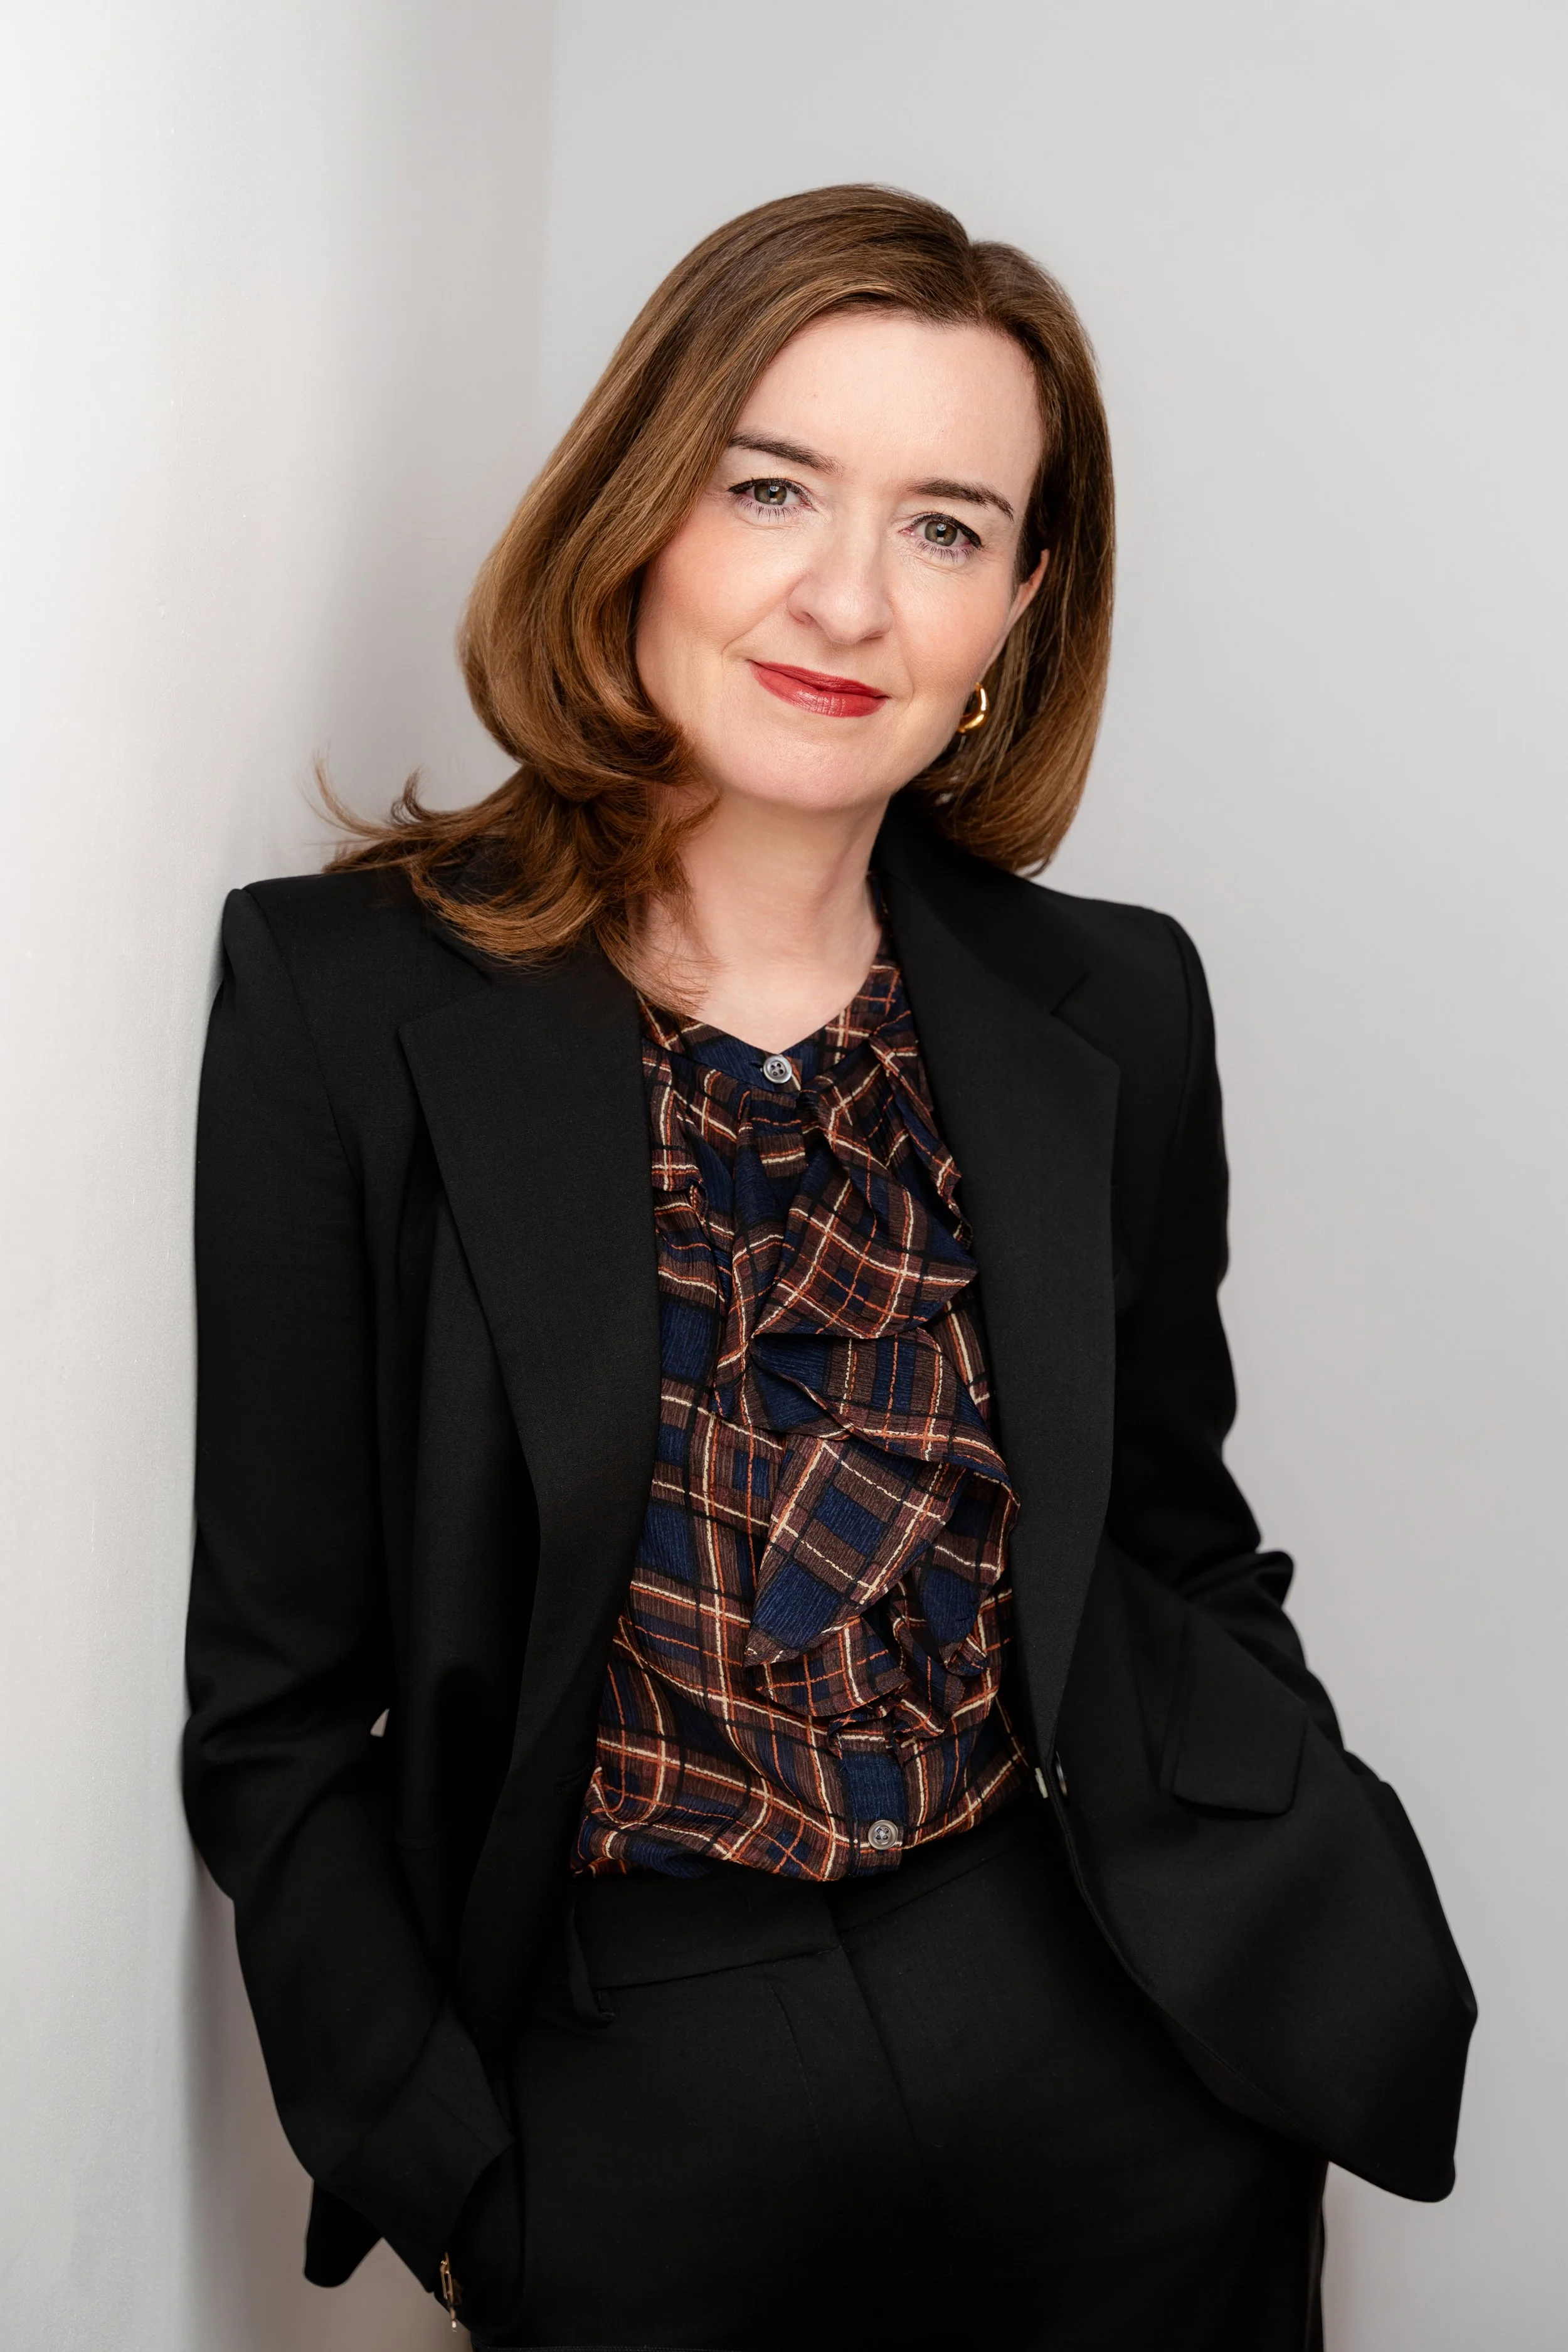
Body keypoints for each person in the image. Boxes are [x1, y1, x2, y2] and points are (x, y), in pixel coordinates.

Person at [183, 186, 1474, 2351]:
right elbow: (283, 1708)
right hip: (626, 2092)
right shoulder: (341, 1000)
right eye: (771, 485)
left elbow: (1174, 1541)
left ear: (1018, 611)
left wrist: (1248, 1992)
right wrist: (449, 2168)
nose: (846, 596)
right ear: (638, 510)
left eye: (948, 526)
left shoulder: (1117, 1010)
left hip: (1108, 2051)